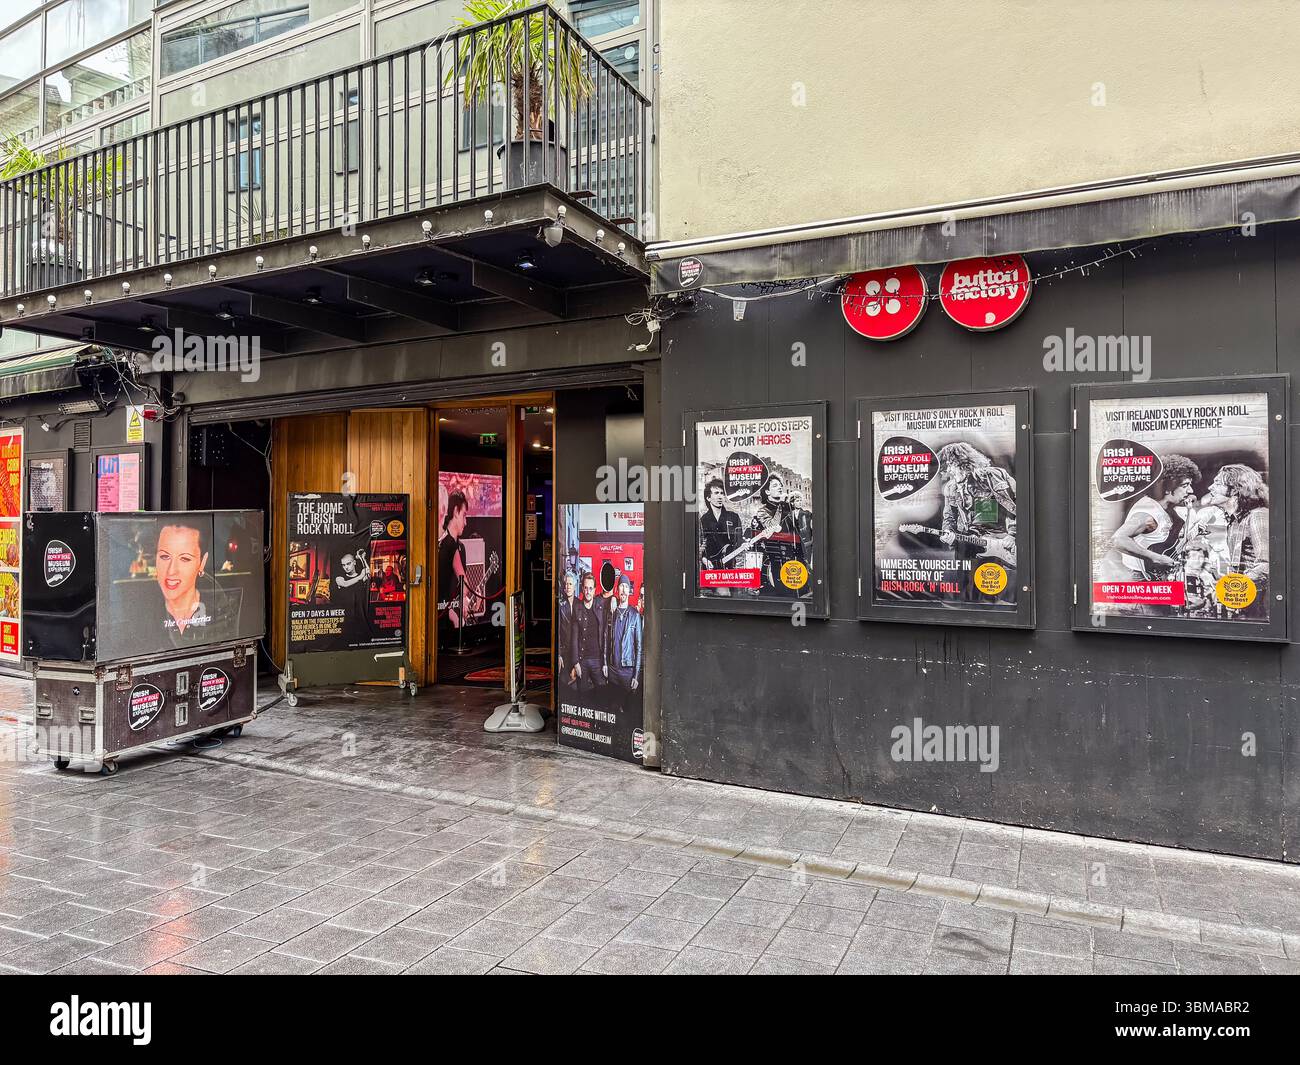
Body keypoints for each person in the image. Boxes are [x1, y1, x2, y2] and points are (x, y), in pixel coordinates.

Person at [1102, 453, 1200, 583]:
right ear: (1167, 488)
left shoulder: (1169, 508)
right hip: (1140, 579)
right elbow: (1118, 539)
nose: (1191, 490)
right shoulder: (1147, 513)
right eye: (1185, 485)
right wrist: (1157, 558)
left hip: (1155, 577)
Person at [1205, 463, 1269, 616]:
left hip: (1262, 605)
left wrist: (1230, 589)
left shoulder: (1258, 516)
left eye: (1217, 483)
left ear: (1234, 489)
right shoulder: (1234, 521)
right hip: (1248, 604)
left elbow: (1266, 566)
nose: (1209, 488)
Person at [748, 474, 809, 596]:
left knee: (801, 592)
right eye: (775, 485)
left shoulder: (788, 507)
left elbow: (796, 531)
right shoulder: (762, 511)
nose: (780, 487)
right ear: (767, 491)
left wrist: (804, 554)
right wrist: (782, 506)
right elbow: (772, 526)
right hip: (777, 558)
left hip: (795, 556)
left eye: (780, 485)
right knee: (784, 593)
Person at [155, 522, 210, 643]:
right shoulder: (140, 615)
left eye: (185, 558)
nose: (171, 570)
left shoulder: (218, 608)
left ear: (202, 562)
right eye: (164, 556)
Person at [606, 575, 642, 717]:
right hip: (613, 670)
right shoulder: (612, 613)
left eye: (626, 587)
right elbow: (605, 640)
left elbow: (639, 647)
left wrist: (636, 675)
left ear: (629, 590)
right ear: (617, 589)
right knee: (613, 709)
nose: (624, 590)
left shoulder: (634, 615)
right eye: (621, 586)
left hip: (628, 670)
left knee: (627, 710)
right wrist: (605, 664)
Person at [570, 571, 606, 703]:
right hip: (582, 661)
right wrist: (575, 662)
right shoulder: (577, 608)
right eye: (585, 588)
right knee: (583, 697)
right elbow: (573, 637)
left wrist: (613, 599)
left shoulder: (600, 605)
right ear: (582, 589)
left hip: (597, 660)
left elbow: (609, 596)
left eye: (591, 588)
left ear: (594, 590)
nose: (588, 591)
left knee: (602, 696)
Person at [437, 491, 469, 627]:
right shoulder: (447, 543)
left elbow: (463, 583)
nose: (466, 522)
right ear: (456, 511)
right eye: (464, 515)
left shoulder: (455, 545)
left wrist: (462, 601)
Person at [699, 477, 742, 571]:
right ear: (708, 498)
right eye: (716, 493)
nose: (720, 496)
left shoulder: (734, 517)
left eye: (722, 493)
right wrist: (704, 560)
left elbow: (739, 543)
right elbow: (699, 546)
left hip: (730, 567)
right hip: (710, 567)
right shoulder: (703, 520)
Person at [556, 570, 576, 677]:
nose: (568, 587)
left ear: (575, 586)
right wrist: (559, 654)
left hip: (578, 654)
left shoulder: (580, 604)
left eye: (570, 584)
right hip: (564, 653)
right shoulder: (560, 606)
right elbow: (558, 632)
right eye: (566, 584)